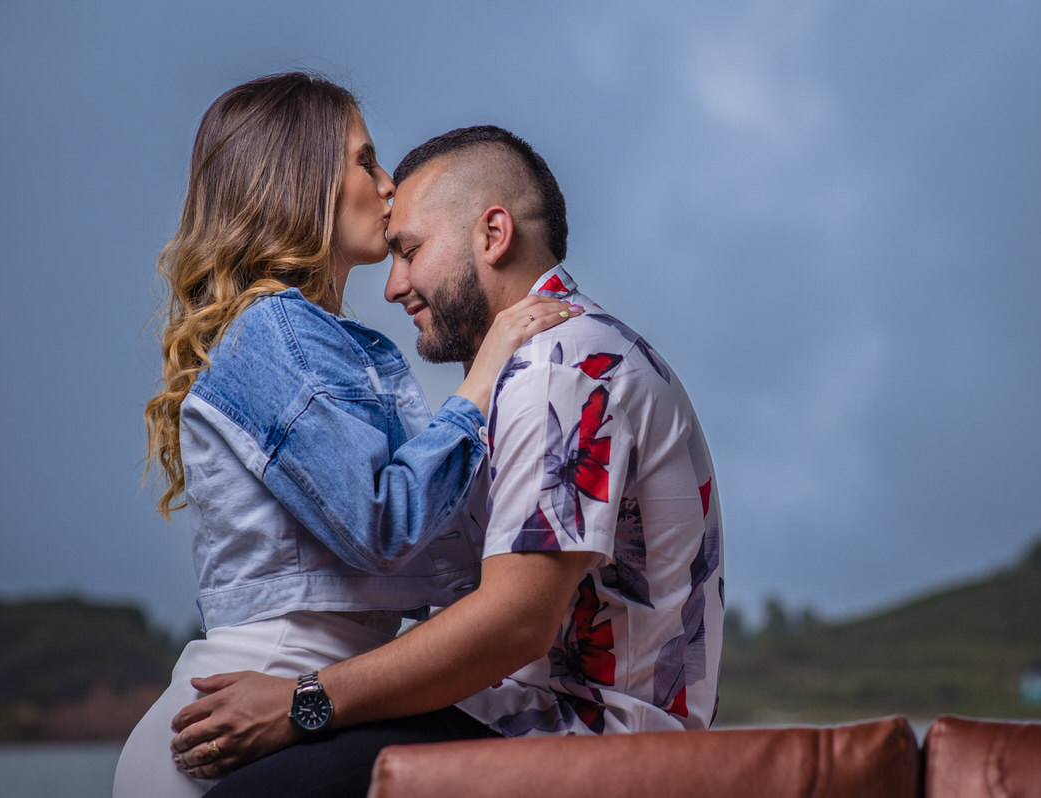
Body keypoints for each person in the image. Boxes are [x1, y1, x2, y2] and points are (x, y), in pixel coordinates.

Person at [170, 125, 725, 798]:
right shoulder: (532, 365)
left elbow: (513, 623)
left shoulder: (563, 363)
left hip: (582, 743)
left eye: (409, 251)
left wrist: (300, 701)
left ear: (492, 236)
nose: (392, 285)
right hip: (515, 723)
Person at [113, 78, 579, 798]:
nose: (389, 186)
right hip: (235, 729)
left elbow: (438, 559)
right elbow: (381, 524)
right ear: (300, 178)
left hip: (280, 720)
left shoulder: (318, 343)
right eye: (366, 162)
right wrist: (484, 374)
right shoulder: (278, 333)